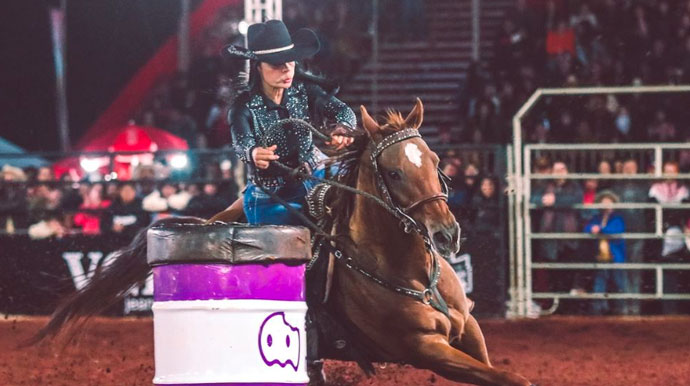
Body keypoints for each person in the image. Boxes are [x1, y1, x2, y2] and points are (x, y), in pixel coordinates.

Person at [224, 20, 356, 225]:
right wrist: (254, 153)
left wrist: (343, 128)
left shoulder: (304, 89)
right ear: (258, 67)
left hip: (317, 171)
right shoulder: (242, 107)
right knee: (300, 229)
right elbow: (242, 143)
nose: (286, 70)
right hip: (271, 193)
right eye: (277, 64)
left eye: (291, 62)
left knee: (363, 183)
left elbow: (343, 111)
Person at [584, 190, 627, 315]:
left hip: (615, 255)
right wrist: (592, 228)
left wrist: (600, 229)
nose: (606, 205)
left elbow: (615, 229)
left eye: (609, 202)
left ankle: (619, 308)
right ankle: (598, 308)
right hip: (601, 256)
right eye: (604, 202)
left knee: (618, 282)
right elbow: (587, 228)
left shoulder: (617, 218)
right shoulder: (597, 217)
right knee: (600, 282)